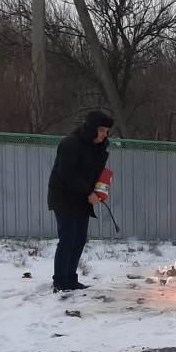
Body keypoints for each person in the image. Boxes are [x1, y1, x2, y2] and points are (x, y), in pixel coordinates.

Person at [47, 111, 113, 293]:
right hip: (64, 196)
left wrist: (101, 188)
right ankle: (60, 281)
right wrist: (89, 192)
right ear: (91, 128)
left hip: (83, 198)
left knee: (79, 240)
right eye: (101, 130)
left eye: (106, 131)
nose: (104, 134)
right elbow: (66, 173)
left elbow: (95, 173)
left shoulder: (99, 147)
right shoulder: (70, 143)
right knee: (68, 239)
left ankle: (70, 279)